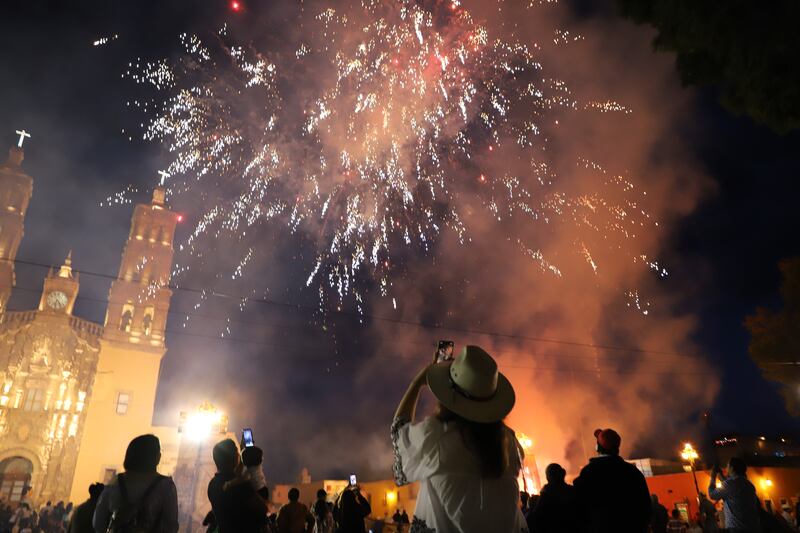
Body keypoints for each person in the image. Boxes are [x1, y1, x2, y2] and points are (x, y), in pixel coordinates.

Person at [391, 345, 527, 533]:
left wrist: (418, 382)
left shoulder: (437, 436)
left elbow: (399, 433)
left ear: (448, 394)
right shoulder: (510, 442)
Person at [93, 434, 179, 533]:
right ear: (157, 457)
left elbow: (98, 523)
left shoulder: (116, 482)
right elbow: (171, 527)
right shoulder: (165, 486)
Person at [573, 428, 652, 533]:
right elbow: (645, 507)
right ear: (617, 448)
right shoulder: (632, 472)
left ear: (597, 448)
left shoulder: (589, 472)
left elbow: (578, 507)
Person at [208, 439, 268, 533]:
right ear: (234, 458)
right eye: (237, 453)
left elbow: (234, 474)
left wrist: (240, 451)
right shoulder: (241, 487)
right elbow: (262, 509)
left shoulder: (213, 485)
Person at [708, 457, 761, 533]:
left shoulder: (729, 484)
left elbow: (712, 494)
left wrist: (713, 477)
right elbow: (731, 489)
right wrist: (721, 476)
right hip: (753, 527)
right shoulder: (749, 485)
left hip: (736, 528)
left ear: (732, 468)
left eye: (727, 466)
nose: (726, 468)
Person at [527, 463, 578, 533]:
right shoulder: (573, 491)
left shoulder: (545, 497)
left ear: (548, 478)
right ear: (563, 474)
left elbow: (536, 520)